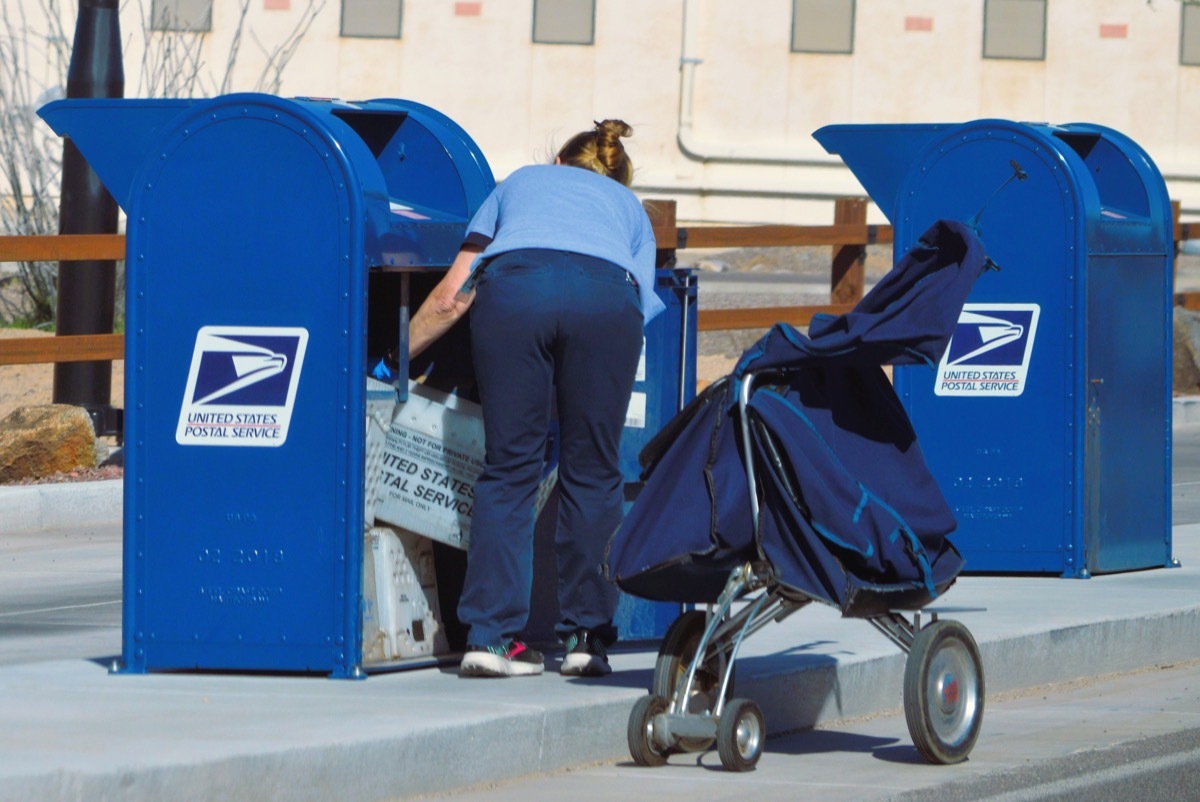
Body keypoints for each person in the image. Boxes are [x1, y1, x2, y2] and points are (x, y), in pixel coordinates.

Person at [408, 119, 664, 678]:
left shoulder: (521, 182)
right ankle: (585, 640)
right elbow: (641, 307)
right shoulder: (628, 211)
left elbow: (454, 296)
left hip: (515, 292)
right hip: (605, 301)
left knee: (509, 469)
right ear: (620, 177)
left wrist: (388, 358)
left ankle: (491, 640)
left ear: (558, 163)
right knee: (593, 473)